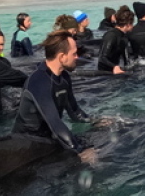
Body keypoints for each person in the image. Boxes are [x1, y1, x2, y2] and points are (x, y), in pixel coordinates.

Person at [12, 32, 97, 165]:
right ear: (62, 57)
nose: (77, 57)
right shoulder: (39, 81)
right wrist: (79, 151)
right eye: (74, 53)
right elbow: (55, 123)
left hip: (50, 139)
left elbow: (75, 112)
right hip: (27, 147)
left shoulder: (64, 77)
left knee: (99, 142)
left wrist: (96, 121)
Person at [98, 6, 133, 74]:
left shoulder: (124, 36)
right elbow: (102, 58)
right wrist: (115, 66)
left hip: (117, 69)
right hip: (104, 72)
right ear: (128, 24)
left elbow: (126, 59)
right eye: (132, 23)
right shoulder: (111, 35)